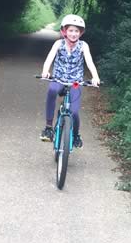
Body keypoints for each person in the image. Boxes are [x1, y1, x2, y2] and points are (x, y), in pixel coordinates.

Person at [40, 14, 101, 148]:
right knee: (52, 89)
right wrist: (46, 71)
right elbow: (49, 58)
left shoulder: (83, 46)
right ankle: (49, 128)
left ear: (81, 33)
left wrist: (95, 77)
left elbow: (89, 62)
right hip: (58, 79)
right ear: (64, 31)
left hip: (75, 83)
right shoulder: (58, 44)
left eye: (77, 31)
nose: (74, 34)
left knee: (74, 112)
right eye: (71, 30)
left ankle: (75, 135)